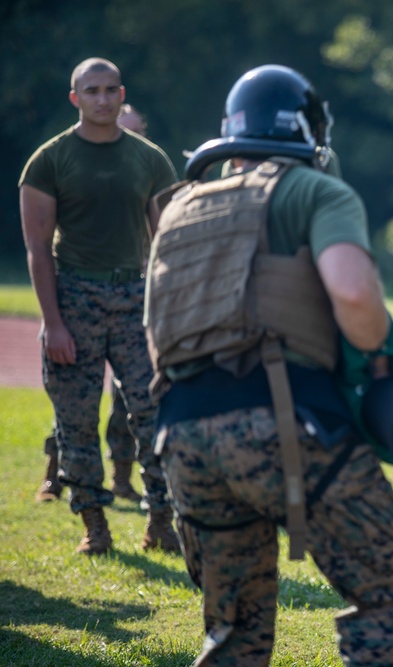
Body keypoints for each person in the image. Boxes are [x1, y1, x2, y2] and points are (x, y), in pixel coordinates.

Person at [146, 65, 393, 666]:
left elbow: (157, 336)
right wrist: (378, 359)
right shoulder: (315, 189)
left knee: (236, 633)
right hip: (283, 419)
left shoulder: (179, 206)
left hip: (182, 437)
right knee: (391, 595)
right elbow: (353, 296)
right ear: (306, 130)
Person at [19, 57, 180, 554]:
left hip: (136, 299)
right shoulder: (49, 160)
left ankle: (161, 521)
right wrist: (54, 324)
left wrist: (168, 319)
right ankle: (95, 524)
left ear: (121, 92)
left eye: (111, 90)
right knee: (77, 421)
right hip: (75, 297)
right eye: (92, 91)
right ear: (76, 98)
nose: (103, 99)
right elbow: (38, 250)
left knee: (155, 414)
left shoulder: (150, 159)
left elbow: (168, 244)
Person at [34, 103, 152, 505]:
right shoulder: (75, 171)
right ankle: (57, 475)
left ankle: (123, 479)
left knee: (132, 405)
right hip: (84, 297)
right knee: (75, 405)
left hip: (133, 301)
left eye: (137, 133)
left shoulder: (145, 176)